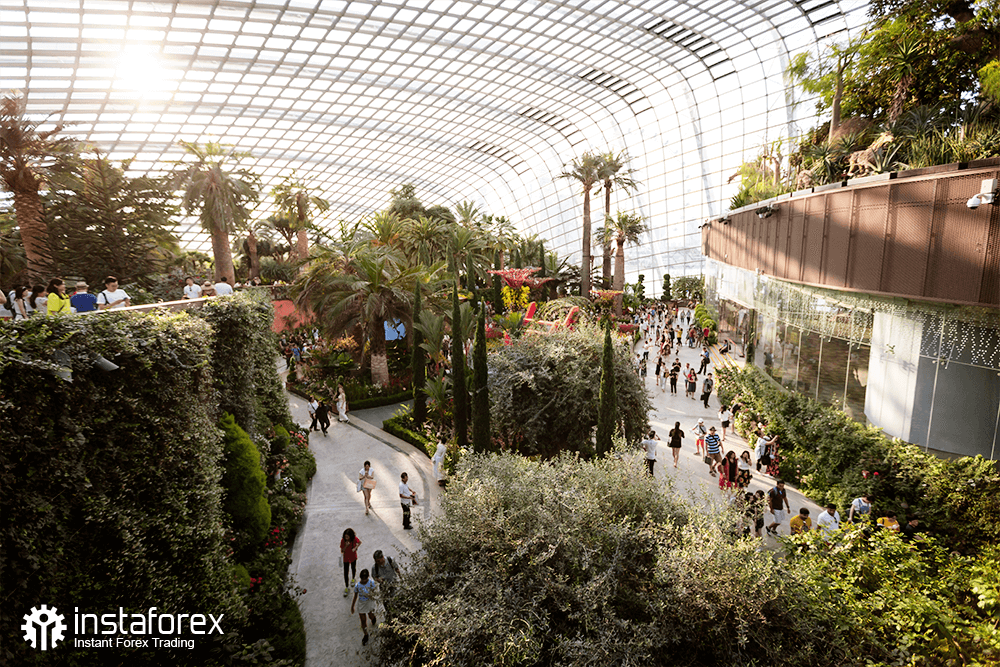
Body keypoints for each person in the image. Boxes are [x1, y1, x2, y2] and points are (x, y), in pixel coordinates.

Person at [350, 569, 377, 646]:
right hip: (361, 604)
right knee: (363, 620)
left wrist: (371, 595)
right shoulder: (357, 586)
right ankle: (365, 634)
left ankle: (373, 618)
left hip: (369, 602)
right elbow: (355, 596)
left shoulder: (371, 583)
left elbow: (374, 592)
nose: (364, 581)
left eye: (365, 579)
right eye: (363, 579)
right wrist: (352, 606)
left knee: (370, 615)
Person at [340, 528, 361, 597]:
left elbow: (359, 542)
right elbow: (342, 551)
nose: (346, 538)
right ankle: (346, 587)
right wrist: (346, 546)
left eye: (347, 537)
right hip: (346, 558)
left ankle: (353, 578)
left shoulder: (354, 539)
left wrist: (355, 548)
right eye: (345, 537)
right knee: (346, 572)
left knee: (353, 568)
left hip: (353, 556)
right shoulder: (343, 541)